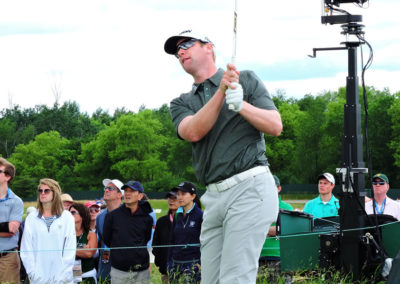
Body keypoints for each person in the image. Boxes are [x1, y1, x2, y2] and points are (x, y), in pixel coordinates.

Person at [165, 29, 282, 283]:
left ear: (209, 47)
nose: (180, 52)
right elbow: (193, 131)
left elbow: (275, 126)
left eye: (186, 44)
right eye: (177, 51)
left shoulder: (247, 80)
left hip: (250, 187)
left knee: (235, 278)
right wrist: (222, 92)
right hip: (213, 197)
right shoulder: (180, 103)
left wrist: (241, 105)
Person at [20, 178, 76, 284]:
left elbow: (70, 249)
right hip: (38, 277)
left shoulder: (67, 217)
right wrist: (33, 273)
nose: (42, 193)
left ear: (55, 193)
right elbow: (26, 249)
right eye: (40, 191)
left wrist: (63, 276)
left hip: (62, 278)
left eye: (46, 190)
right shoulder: (32, 218)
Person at [103, 180, 153, 284]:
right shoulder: (112, 216)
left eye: (132, 191)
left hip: (141, 270)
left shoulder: (147, 218)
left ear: (140, 196)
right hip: (119, 270)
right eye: (126, 190)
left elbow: (146, 239)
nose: (127, 193)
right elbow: (107, 240)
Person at [259, 175, 293, 282]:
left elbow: (285, 230)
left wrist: (263, 230)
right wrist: (271, 230)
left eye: (272, 187)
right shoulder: (257, 206)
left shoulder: (287, 208)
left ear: (279, 188)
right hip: (259, 256)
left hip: (279, 256)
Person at [167, 182, 203, 283]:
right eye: (178, 194)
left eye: (183, 194)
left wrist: (200, 263)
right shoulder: (177, 215)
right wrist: (169, 262)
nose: (180, 197)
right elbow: (172, 240)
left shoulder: (200, 215)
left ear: (193, 196)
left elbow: (205, 242)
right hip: (175, 264)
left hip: (192, 264)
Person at [0, 157, 23, 284]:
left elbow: (11, 230)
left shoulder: (16, 201)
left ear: (7, 177)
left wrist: (7, 228)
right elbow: (6, 228)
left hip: (7, 258)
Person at [96, 178, 124, 283]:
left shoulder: (128, 216)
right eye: (106, 188)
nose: (106, 190)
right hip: (105, 267)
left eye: (111, 188)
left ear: (119, 195)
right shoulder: (100, 217)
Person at [152, 190, 180, 283]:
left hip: (185, 271)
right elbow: (156, 244)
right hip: (165, 270)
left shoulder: (188, 220)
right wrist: (161, 263)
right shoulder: (161, 221)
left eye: (174, 198)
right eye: (170, 198)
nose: (171, 201)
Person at [69, 203, 98, 283]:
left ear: (82, 215)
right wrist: (81, 251)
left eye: (73, 212)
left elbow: (89, 254)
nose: (69, 215)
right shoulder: (66, 235)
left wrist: (69, 250)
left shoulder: (90, 234)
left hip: (88, 276)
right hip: (70, 277)